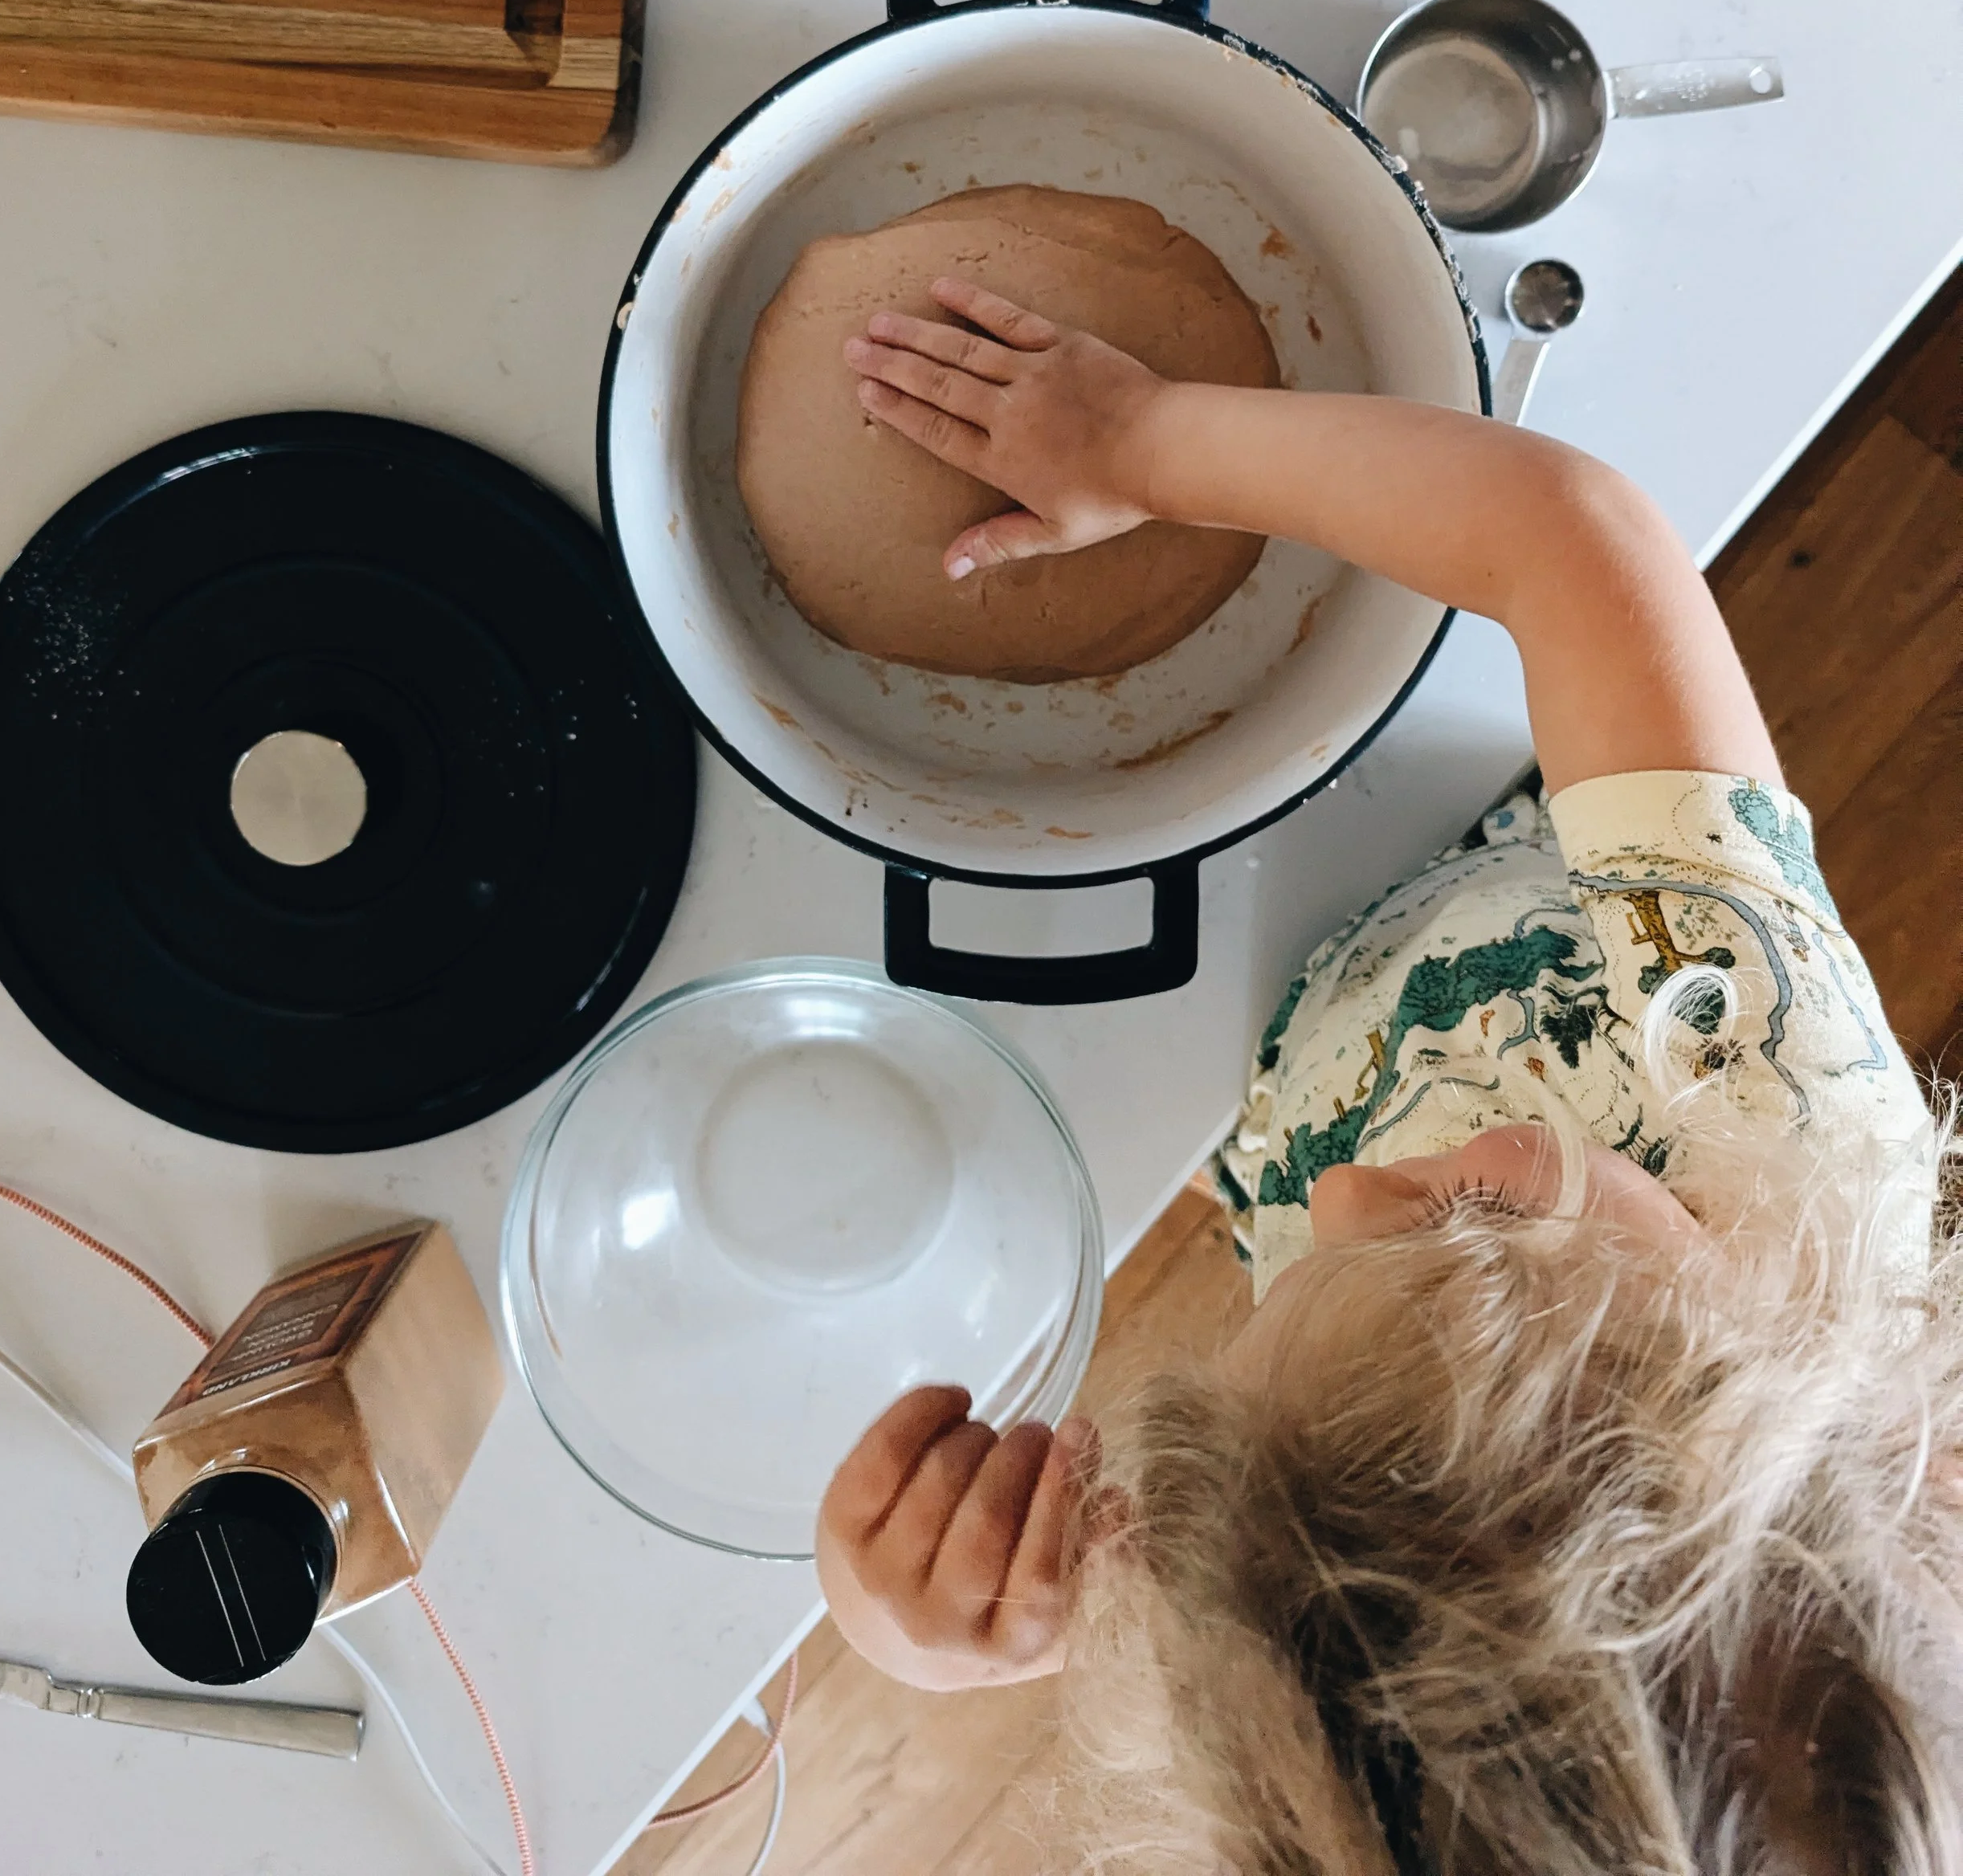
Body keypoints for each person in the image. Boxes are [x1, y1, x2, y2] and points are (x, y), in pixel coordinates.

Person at [814, 272, 1962, 1874]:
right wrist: (1140, 437)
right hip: (1478, 860)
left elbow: (1136, 1575)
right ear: (1761, 1392)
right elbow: (1572, 539)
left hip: (1258, 1043)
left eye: (1257, 1392)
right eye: (1479, 1223)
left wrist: (940, 1623)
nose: (1345, 1195)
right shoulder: (1763, 1089)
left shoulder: (1306, 1621)